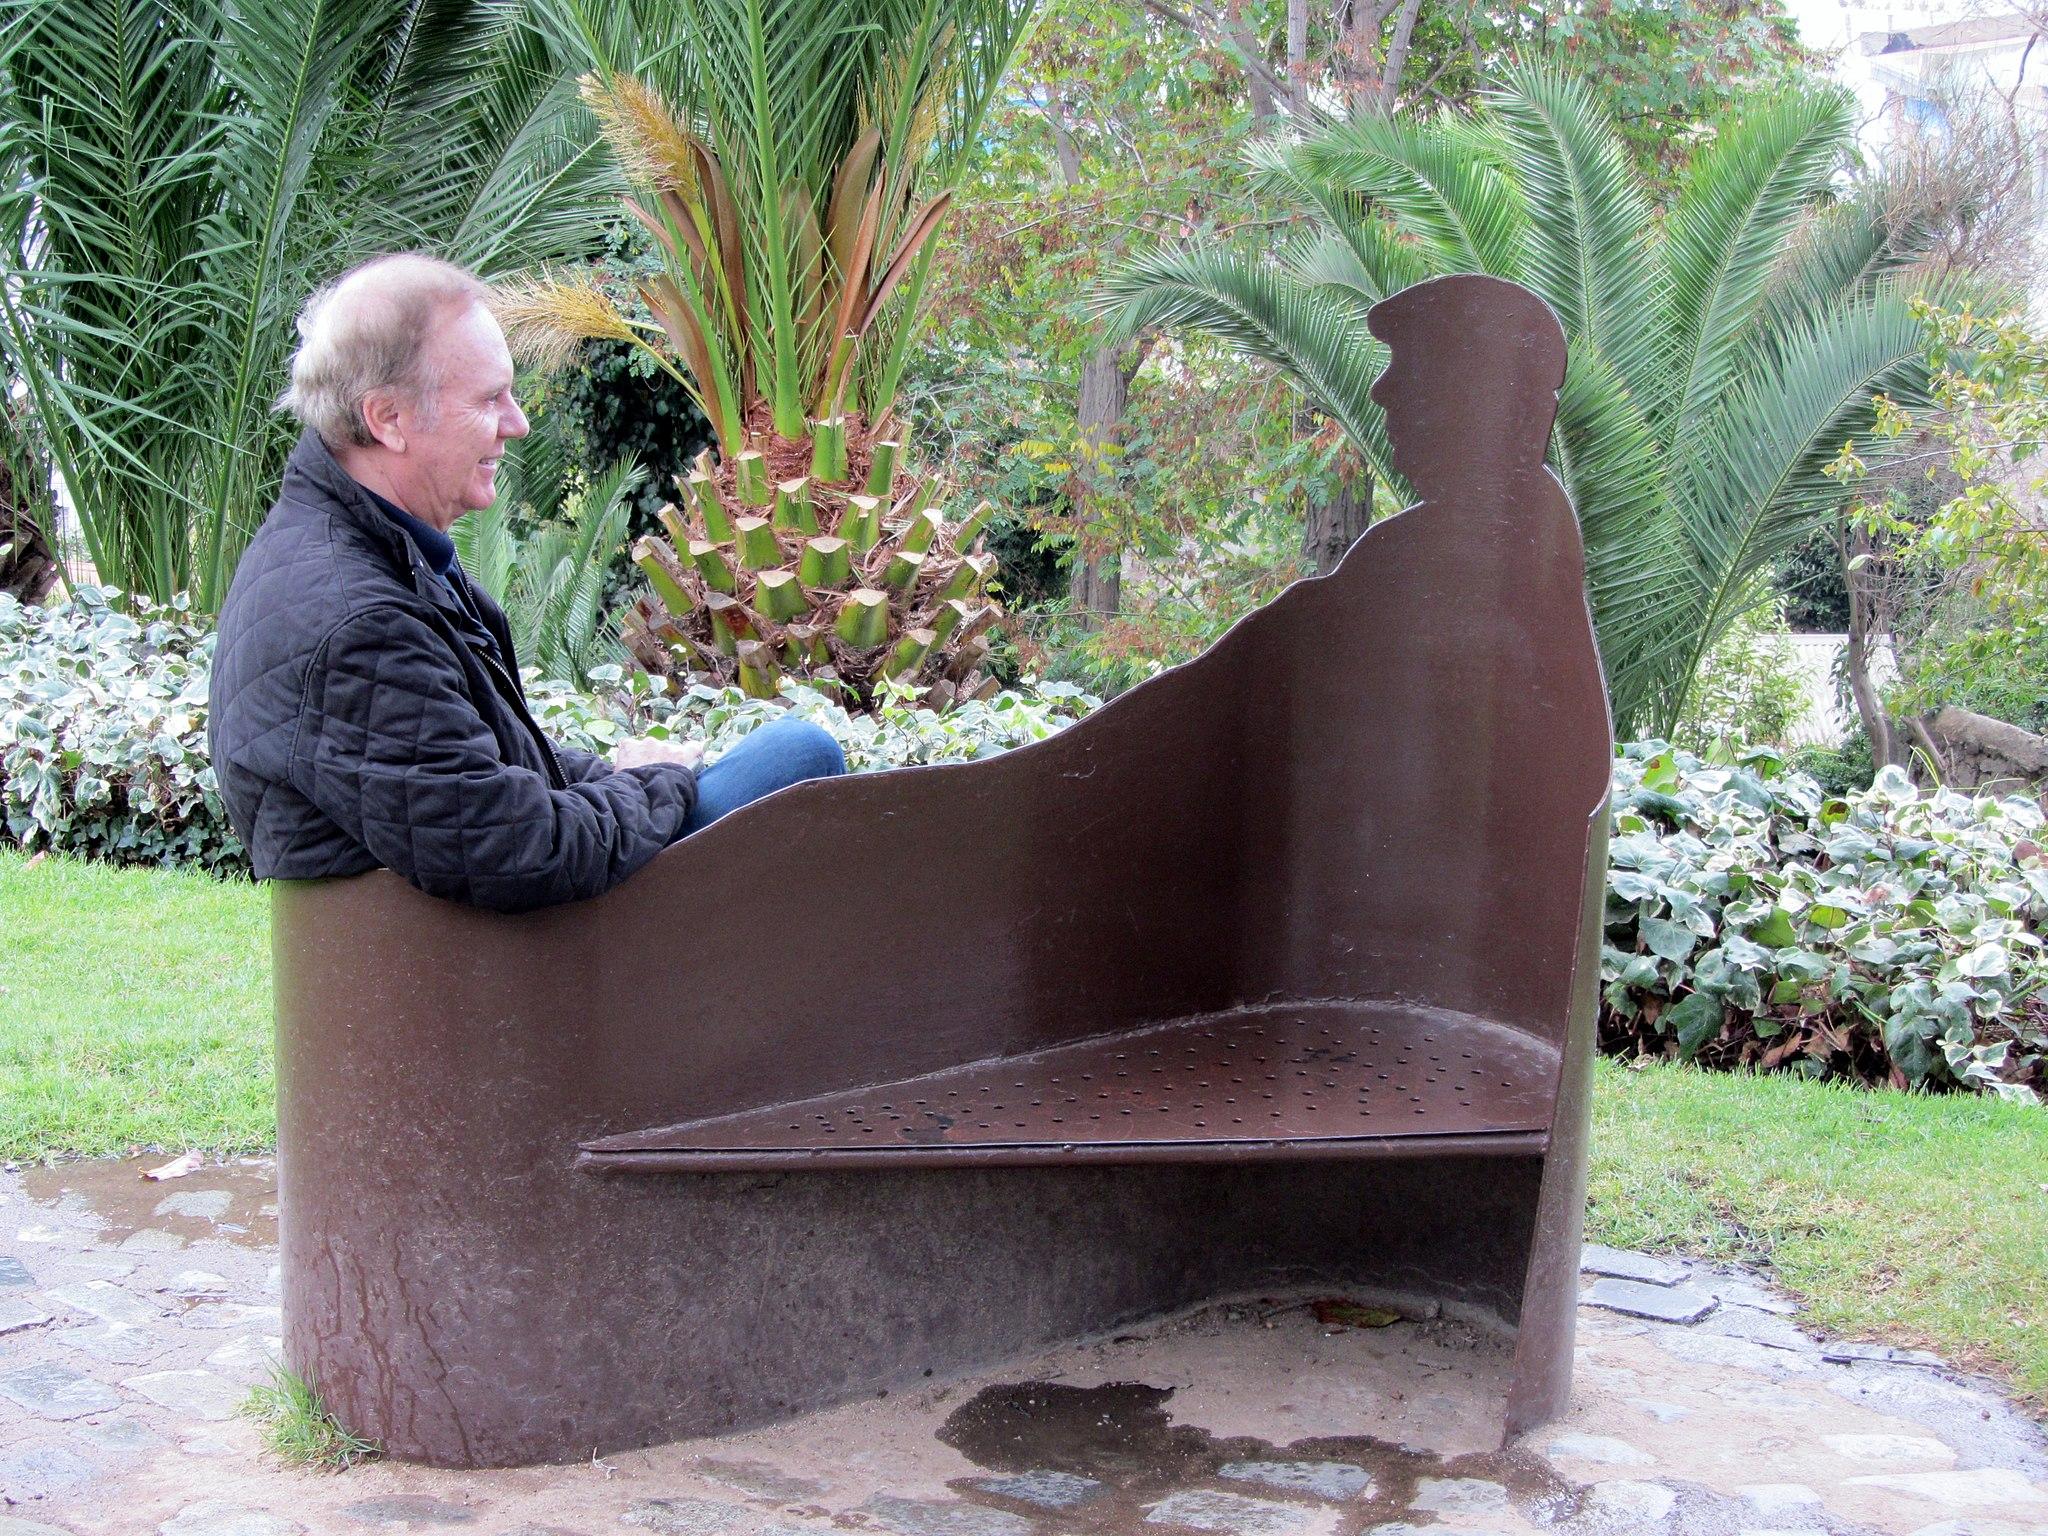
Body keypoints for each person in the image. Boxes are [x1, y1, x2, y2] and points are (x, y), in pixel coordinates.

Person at [208, 253, 844, 913]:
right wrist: (657, 780)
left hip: (482, 936)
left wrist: (624, 777)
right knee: (796, 757)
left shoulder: (363, 555)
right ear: (387, 418)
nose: (518, 423)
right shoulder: (354, 621)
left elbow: (476, 774)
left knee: (785, 763)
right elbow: (518, 848)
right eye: (490, 399)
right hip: (513, 964)